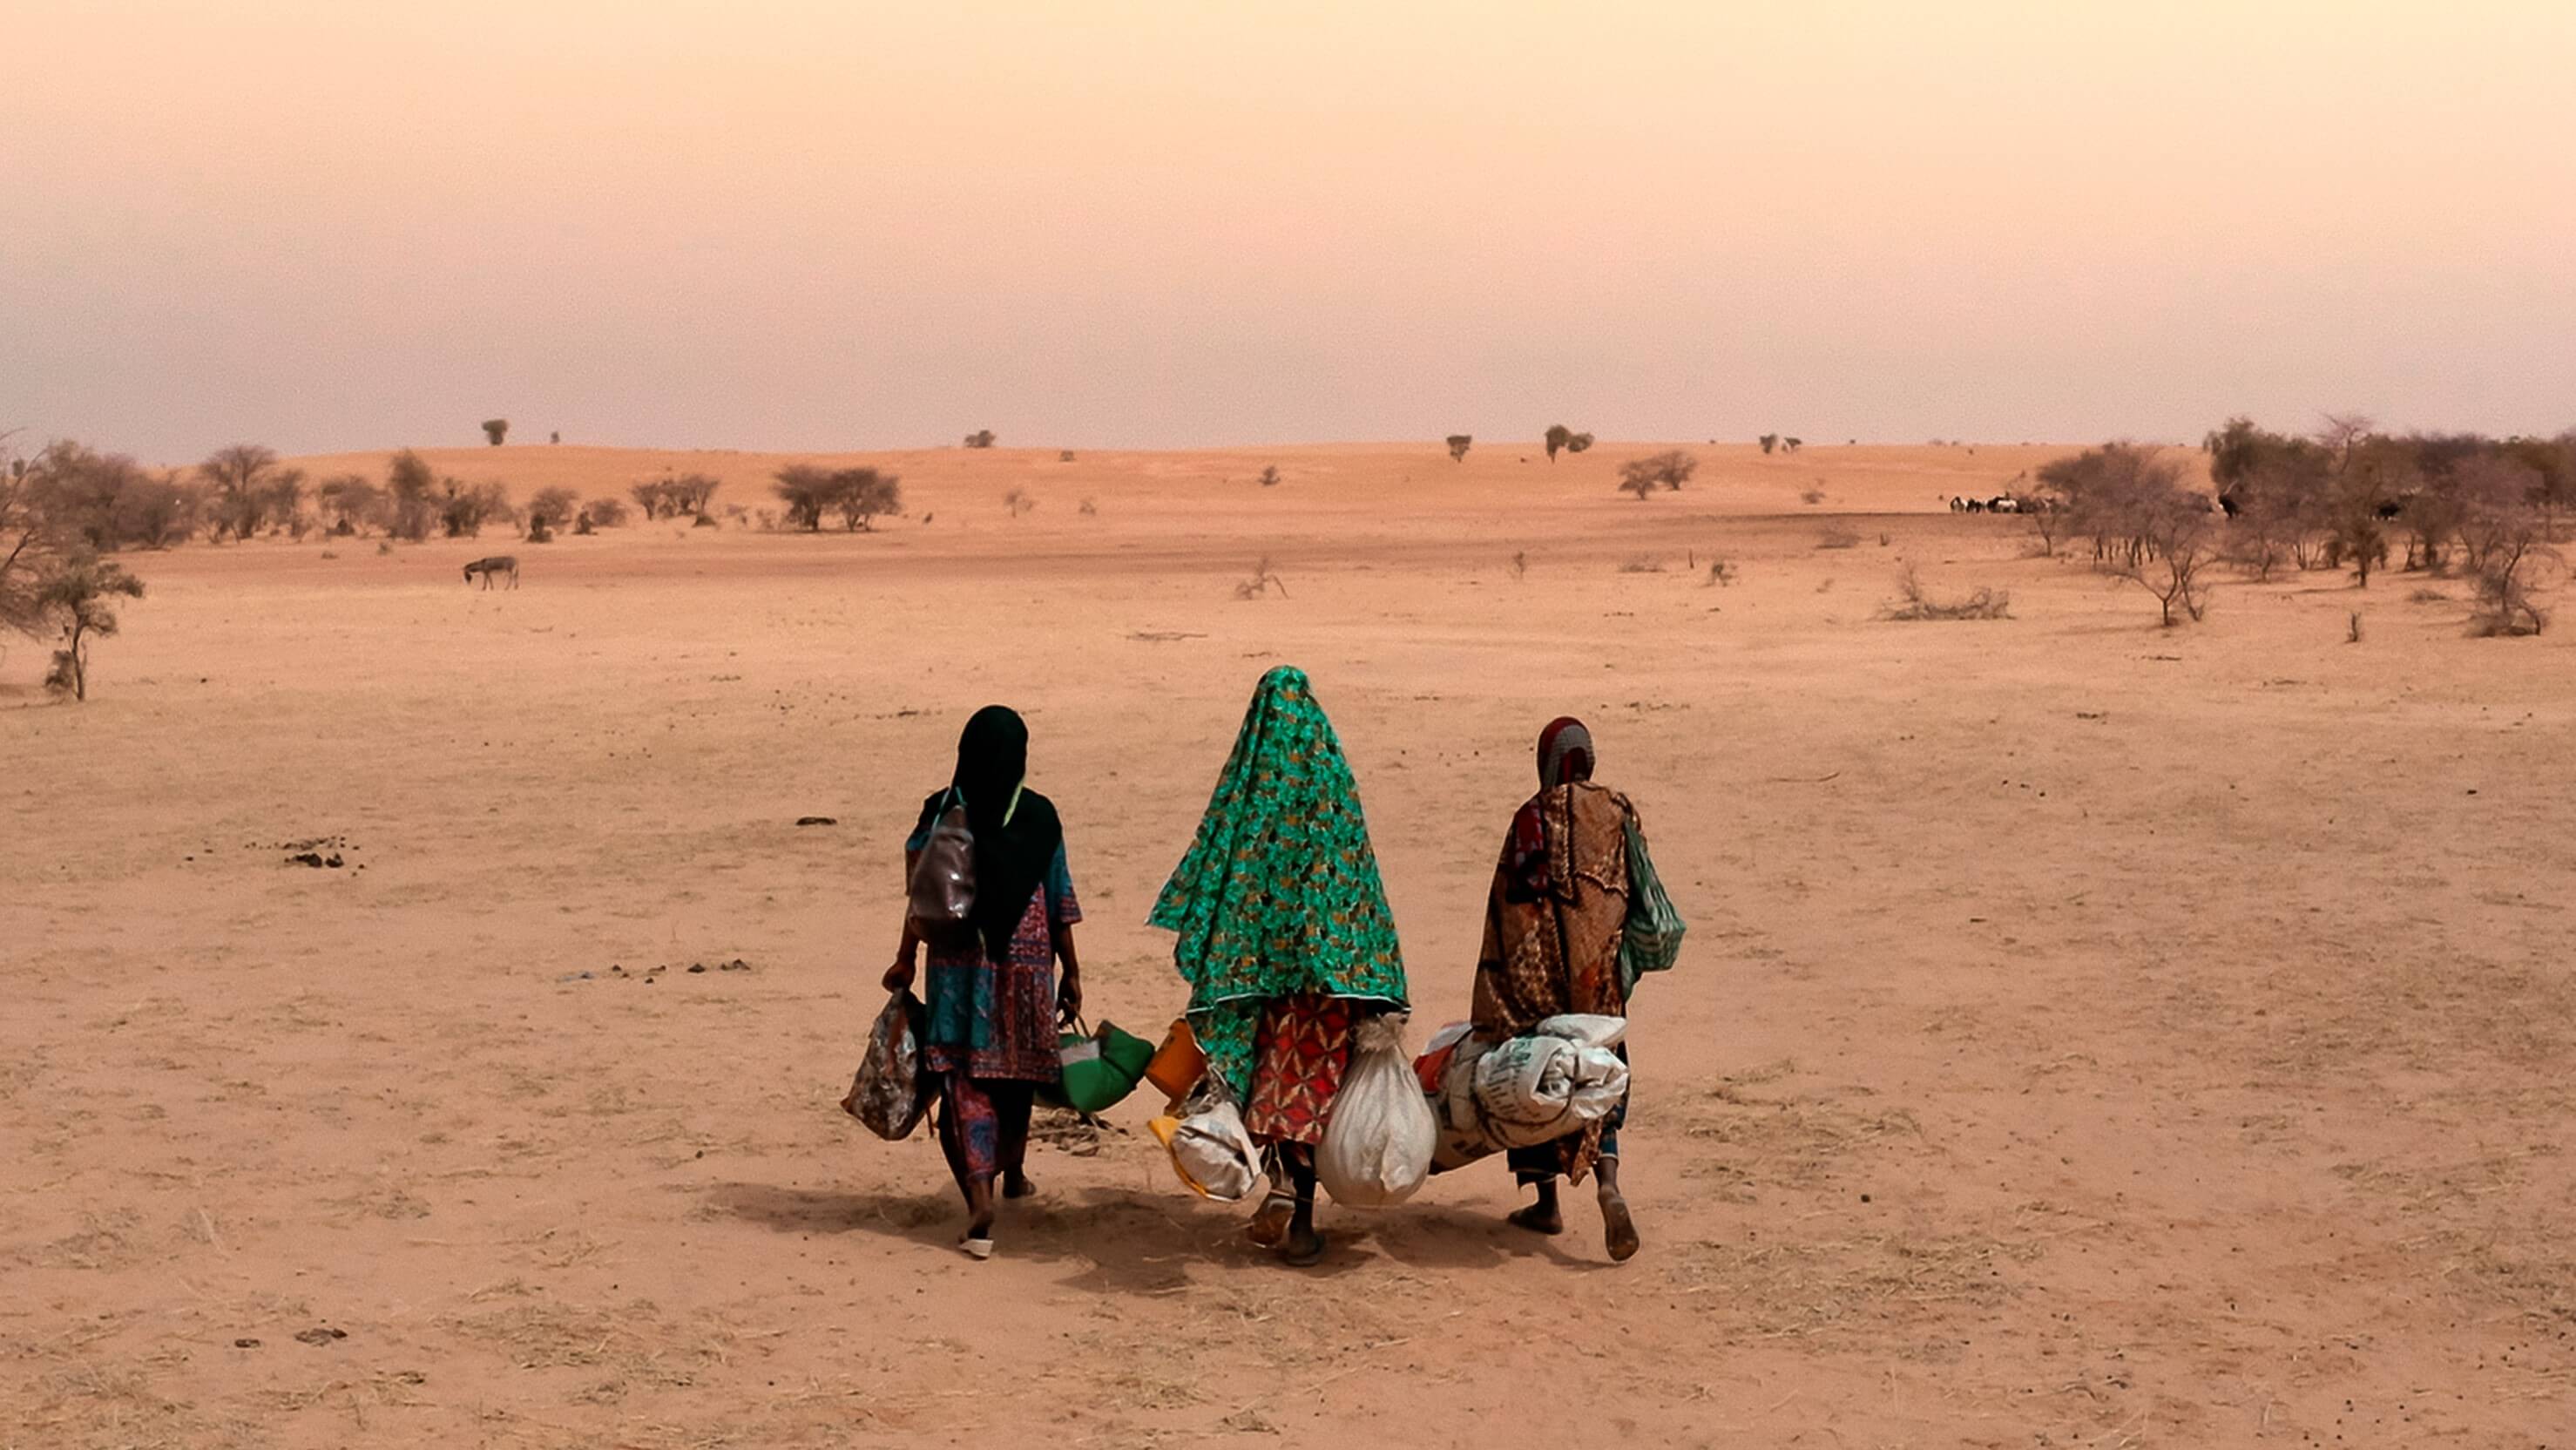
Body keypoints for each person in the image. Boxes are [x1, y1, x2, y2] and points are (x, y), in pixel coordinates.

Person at [1149, 667, 1409, 1266]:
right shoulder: (1331, 777)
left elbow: (1218, 863)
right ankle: (1297, 1210)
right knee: (1316, 1090)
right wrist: (1373, 970)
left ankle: (1288, 1196)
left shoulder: (1253, 786)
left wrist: (1227, 955)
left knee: (1270, 1082)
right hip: (1333, 978)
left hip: (1261, 974)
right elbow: (1359, 875)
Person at [1473, 716, 1673, 1263]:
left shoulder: (1532, 817)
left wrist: (1500, 991)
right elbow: (1638, 883)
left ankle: (1546, 1203)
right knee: (1599, 1076)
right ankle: (1608, 1183)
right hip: (1599, 981)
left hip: (1539, 982)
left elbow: (1509, 907)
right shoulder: (1616, 808)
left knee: (1538, 1080)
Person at [885, 706, 1082, 1260]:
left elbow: (920, 896)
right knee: (1015, 1076)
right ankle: (1012, 1169)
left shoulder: (942, 811)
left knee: (963, 1080)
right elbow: (1059, 899)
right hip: (1024, 970)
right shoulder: (1040, 817)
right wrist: (1072, 971)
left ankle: (981, 1195)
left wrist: (903, 958)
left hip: (956, 967)